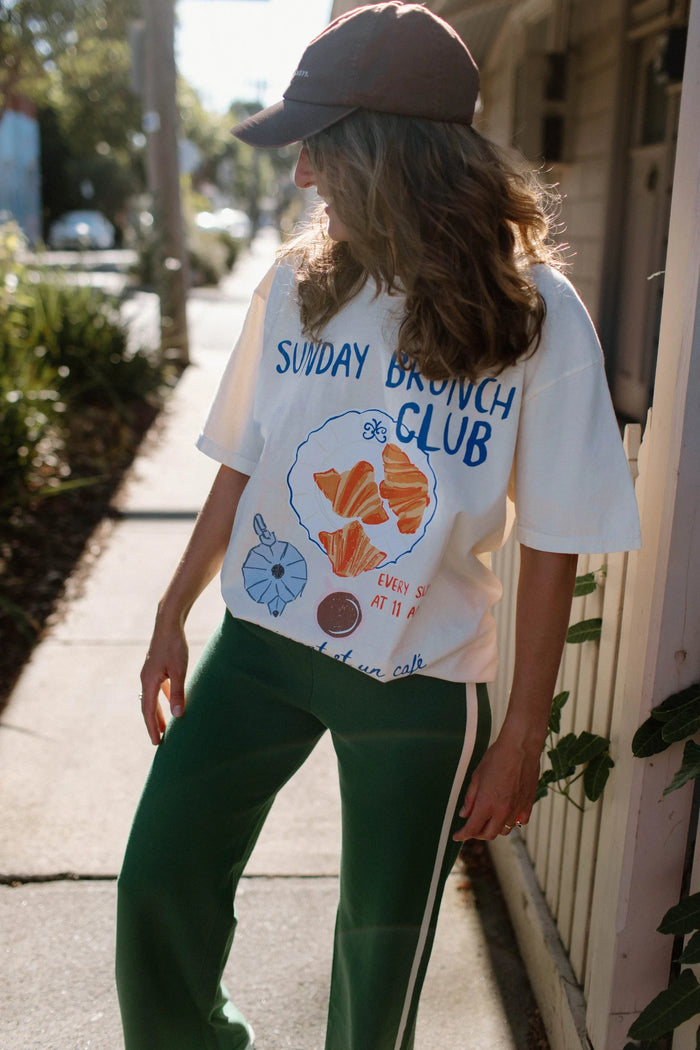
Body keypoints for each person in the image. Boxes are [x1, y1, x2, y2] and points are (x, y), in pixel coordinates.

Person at [115, 5, 641, 1049]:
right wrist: (173, 610)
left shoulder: (534, 314)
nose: (302, 174)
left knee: (377, 963)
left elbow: (554, 539)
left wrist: (522, 732)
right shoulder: (297, 284)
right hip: (259, 647)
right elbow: (242, 462)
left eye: (318, 146)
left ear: (386, 151)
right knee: (159, 882)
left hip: (417, 679)